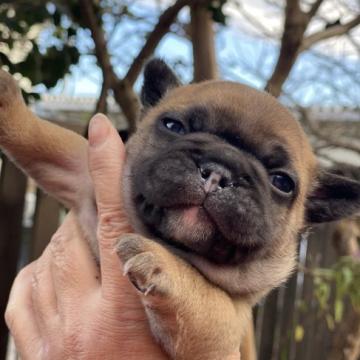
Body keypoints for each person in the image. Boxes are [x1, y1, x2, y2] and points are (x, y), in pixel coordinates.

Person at [5, 115, 240, 359]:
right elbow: (55, 152)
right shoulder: (120, 181)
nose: (213, 179)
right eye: (175, 128)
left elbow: (216, 339)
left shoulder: (228, 294)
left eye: (281, 182)